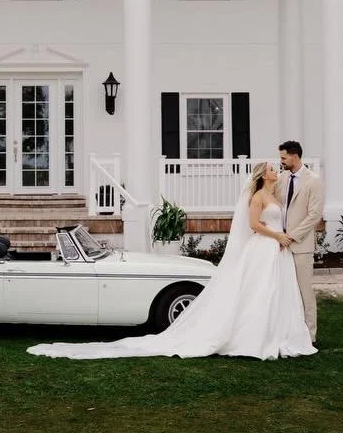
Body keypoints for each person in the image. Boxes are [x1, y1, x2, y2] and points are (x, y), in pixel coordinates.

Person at [27, 161, 316, 360]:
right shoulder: (257, 197)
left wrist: (283, 237)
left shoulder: (274, 195)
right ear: (262, 174)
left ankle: (280, 335)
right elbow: (254, 225)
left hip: (275, 251)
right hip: (265, 247)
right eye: (271, 168)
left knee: (276, 293)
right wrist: (277, 237)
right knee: (258, 294)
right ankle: (255, 337)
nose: (276, 170)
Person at [276, 140, 324, 344]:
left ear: (295, 156)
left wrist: (292, 236)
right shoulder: (281, 178)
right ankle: (289, 331)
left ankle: (310, 335)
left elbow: (314, 215)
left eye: (283, 157)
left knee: (305, 291)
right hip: (279, 244)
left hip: (300, 246)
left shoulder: (313, 180)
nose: (281, 161)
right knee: (285, 291)